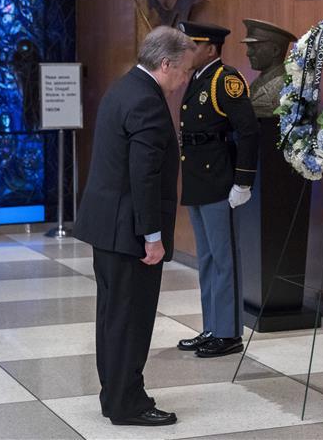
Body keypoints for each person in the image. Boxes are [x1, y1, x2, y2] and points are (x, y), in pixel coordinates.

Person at [75, 25, 195, 427]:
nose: (184, 81)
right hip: (129, 232)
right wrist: (153, 237)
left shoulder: (124, 87)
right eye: (183, 72)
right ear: (165, 64)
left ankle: (115, 394)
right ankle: (128, 403)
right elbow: (144, 174)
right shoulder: (147, 102)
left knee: (113, 316)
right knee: (131, 318)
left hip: (107, 226)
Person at [175, 21, 260, 357]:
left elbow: (249, 132)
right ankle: (212, 325)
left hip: (219, 179)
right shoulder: (198, 78)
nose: (186, 52)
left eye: (191, 45)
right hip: (198, 178)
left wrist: (243, 181)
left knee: (223, 258)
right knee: (208, 258)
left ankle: (228, 333)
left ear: (210, 48)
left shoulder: (226, 80)